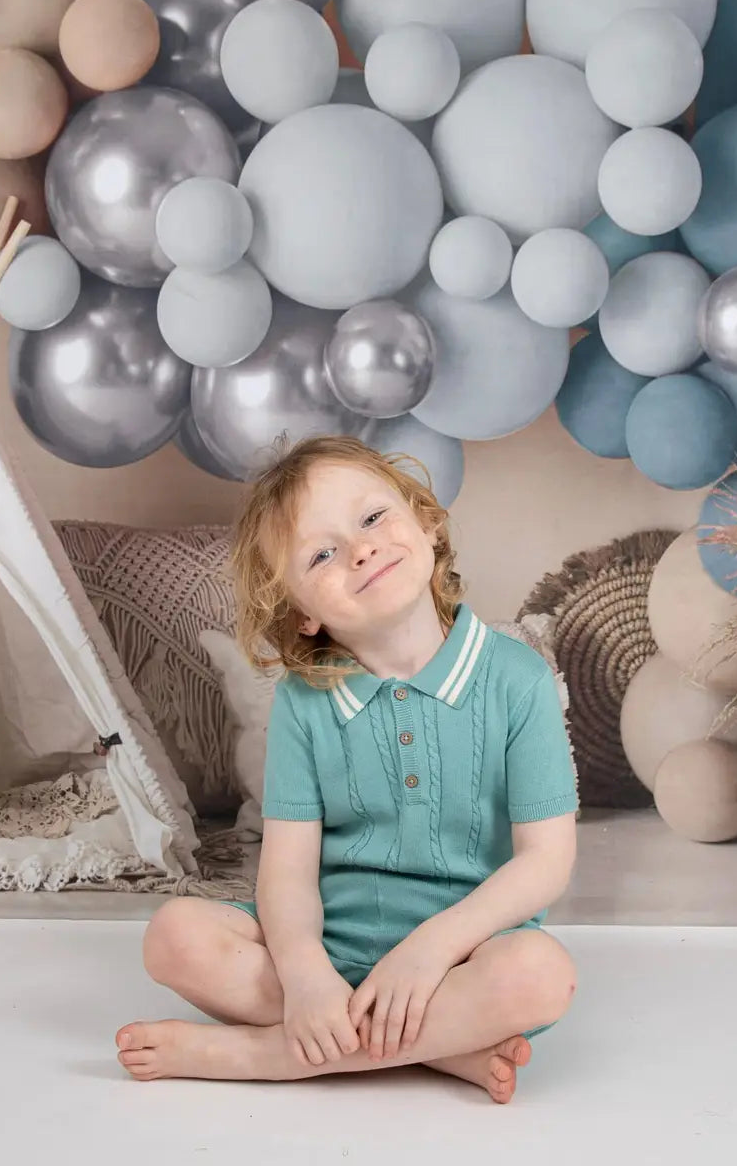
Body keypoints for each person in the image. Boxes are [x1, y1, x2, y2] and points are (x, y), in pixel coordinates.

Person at [115, 435, 578, 1103]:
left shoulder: (518, 680)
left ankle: (266, 1055)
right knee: (174, 939)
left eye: (372, 519)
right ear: (302, 613)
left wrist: (428, 954)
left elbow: (544, 863)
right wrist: (304, 975)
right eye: (322, 554)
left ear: (425, 521)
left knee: (541, 974)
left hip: (459, 959)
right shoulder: (307, 703)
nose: (360, 549)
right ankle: (438, 1050)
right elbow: (288, 868)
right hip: (326, 949)